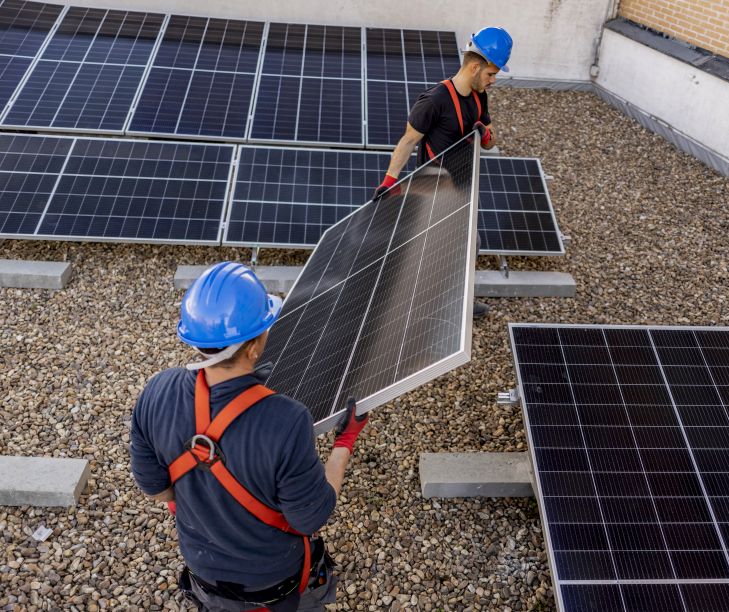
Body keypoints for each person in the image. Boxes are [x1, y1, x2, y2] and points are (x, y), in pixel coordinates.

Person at [130, 262, 368, 611]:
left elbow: (157, 489)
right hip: (271, 584)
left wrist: (205, 506)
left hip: (203, 573)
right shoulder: (287, 421)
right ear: (254, 347)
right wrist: (343, 445)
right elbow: (310, 517)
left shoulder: (157, 390)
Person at [374, 26, 513, 319]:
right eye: (491, 74)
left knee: (469, 245)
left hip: (463, 187)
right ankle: (415, 312)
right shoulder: (435, 99)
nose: (493, 81)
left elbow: (490, 137)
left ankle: (457, 302)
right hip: (433, 189)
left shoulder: (478, 98)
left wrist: (485, 136)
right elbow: (408, 140)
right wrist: (390, 181)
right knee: (431, 252)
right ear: (475, 66)